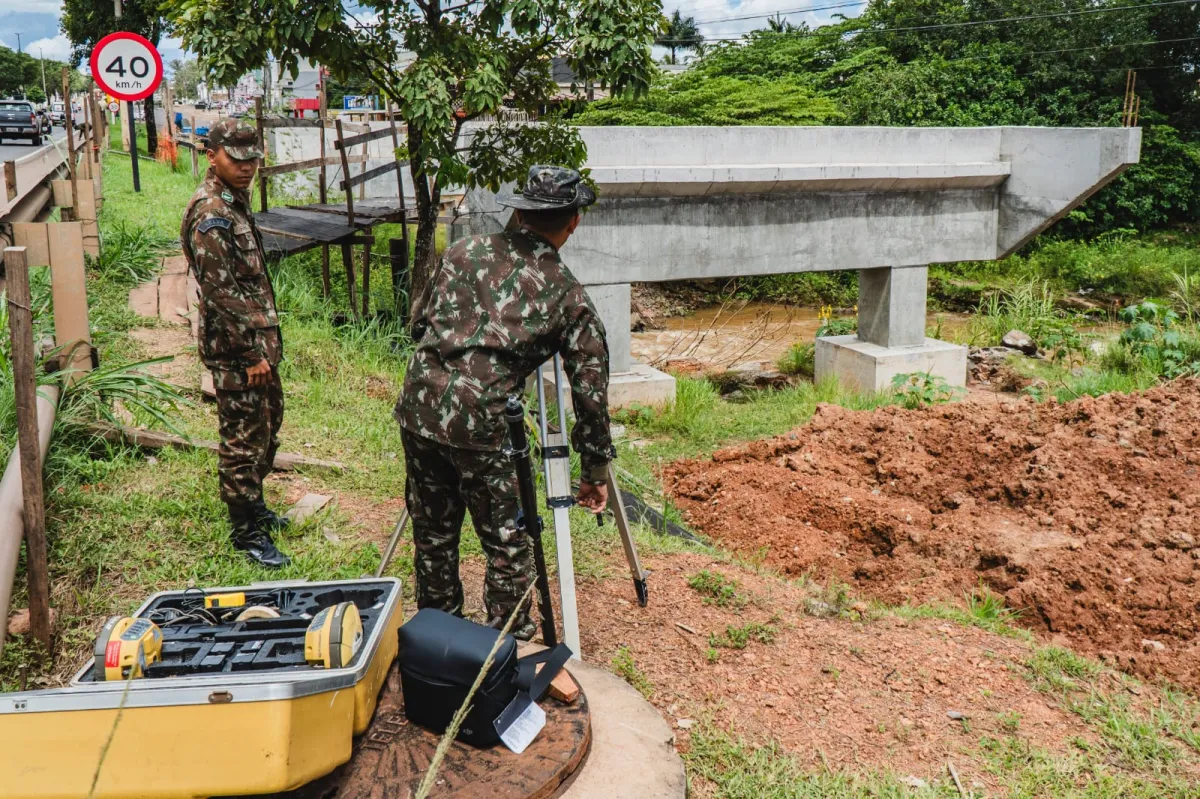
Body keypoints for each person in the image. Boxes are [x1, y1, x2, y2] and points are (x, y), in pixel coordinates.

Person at [394, 165, 612, 639]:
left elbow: (420, 322)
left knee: (433, 535)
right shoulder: (567, 293)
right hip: (483, 422)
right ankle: (503, 647)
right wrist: (594, 469)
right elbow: (590, 390)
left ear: (520, 212)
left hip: (419, 405)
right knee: (507, 541)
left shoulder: (461, 250)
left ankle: (436, 639)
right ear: (574, 221)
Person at [180, 118, 290, 569]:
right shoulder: (211, 214)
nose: (247, 167)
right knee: (242, 439)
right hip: (238, 351)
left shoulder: (233, 202)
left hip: (258, 345)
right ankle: (246, 532)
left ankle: (255, 506)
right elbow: (221, 294)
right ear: (212, 156)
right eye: (237, 159)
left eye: (253, 159)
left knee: (267, 423)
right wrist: (249, 354)